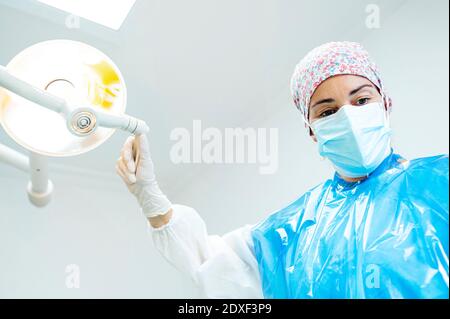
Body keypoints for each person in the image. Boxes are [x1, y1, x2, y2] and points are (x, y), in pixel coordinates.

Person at [116, 42, 449, 298]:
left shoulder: (439, 183)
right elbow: (212, 263)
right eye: (328, 111)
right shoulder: (292, 230)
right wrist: (151, 198)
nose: (348, 116)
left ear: (385, 104)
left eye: (361, 101)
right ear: (312, 130)